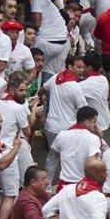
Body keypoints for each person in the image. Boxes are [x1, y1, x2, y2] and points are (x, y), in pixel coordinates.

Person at [0, 73, 37, 219]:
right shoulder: (17, 108)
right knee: (10, 194)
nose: (24, 93)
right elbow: (28, 130)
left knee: (2, 192)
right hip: (9, 154)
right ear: (12, 88)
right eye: (21, 90)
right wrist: (33, 113)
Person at [41, 54, 87, 190]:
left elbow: (42, 89)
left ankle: (47, 186)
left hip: (51, 126)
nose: (81, 70)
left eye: (83, 67)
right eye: (78, 67)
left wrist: (42, 97)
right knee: (71, 158)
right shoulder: (75, 87)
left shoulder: (56, 77)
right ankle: (71, 185)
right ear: (70, 67)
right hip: (68, 129)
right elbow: (84, 110)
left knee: (52, 157)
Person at [80, 52, 110, 133]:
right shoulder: (103, 79)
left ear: (89, 68)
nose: (81, 70)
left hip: (94, 125)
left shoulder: (85, 85)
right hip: (105, 119)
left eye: (83, 67)